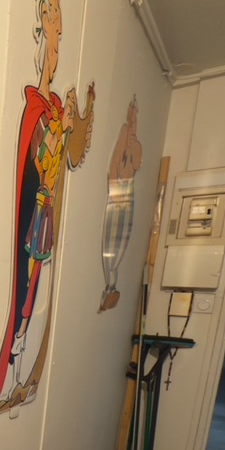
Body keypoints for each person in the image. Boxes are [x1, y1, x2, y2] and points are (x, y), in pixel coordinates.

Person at [0, 0, 94, 419]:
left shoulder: (51, 110)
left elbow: (60, 159)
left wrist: (68, 125)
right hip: (32, 217)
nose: (57, 39)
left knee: (33, 292)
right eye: (52, 23)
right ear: (41, 28)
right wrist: (59, 131)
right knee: (24, 290)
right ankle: (13, 370)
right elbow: (38, 161)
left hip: (44, 218)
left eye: (60, 29)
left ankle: (19, 373)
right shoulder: (37, 109)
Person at [99, 98, 143, 311]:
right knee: (110, 243)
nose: (133, 121)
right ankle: (109, 286)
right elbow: (115, 162)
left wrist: (133, 145)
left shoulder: (136, 145)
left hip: (127, 190)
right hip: (117, 190)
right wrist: (114, 188)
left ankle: (111, 287)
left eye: (135, 116)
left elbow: (136, 165)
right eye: (131, 115)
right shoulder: (123, 134)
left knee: (121, 240)